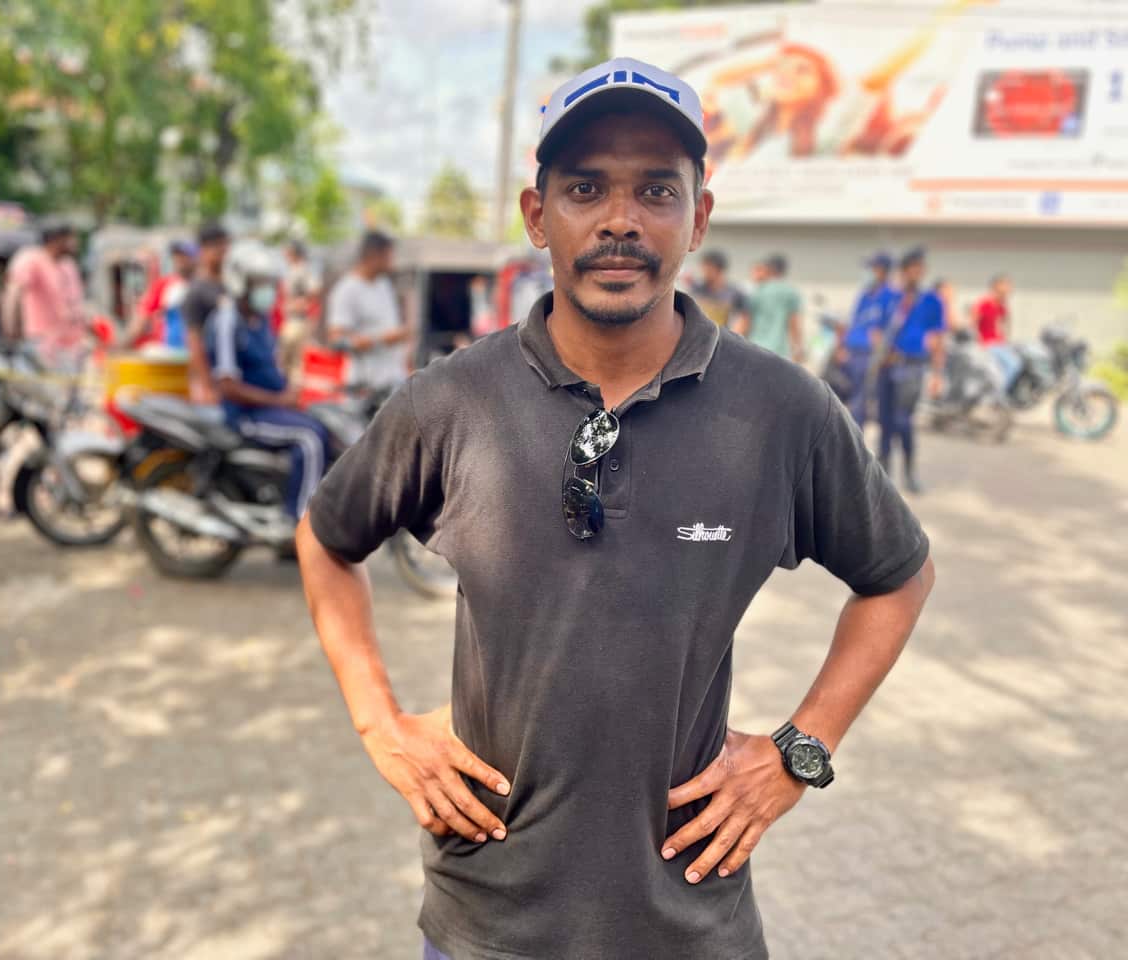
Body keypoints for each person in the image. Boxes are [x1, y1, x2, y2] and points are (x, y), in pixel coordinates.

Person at [296, 57, 935, 960]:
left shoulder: (779, 413)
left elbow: (899, 577)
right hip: (489, 923)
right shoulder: (450, 404)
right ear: (536, 215)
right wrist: (380, 724)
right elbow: (326, 540)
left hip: (689, 926)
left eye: (656, 191)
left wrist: (800, 750)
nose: (621, 222)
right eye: (586, 188)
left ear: (698, 218)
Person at [181, 225, 329, 521]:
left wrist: (291, 389)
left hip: (268, 408)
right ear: (241, 283)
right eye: (260, 283)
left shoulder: (258, 320)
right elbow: (227, 384)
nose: (268, 291)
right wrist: (279, 401)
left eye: (269, 283)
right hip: (246, 415)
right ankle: (299, 523)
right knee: (310, 439)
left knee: (325, 425)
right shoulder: (227, 320)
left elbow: (270, 367)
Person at [877, 248, 947, 494]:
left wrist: (937, 375)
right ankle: (881, 478)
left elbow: (938, 337)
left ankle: (909, 473)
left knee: (903, 421)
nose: (916, 273)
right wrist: (880, 354)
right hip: (887, 366)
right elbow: (876, 329)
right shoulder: (889, 298)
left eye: (920, 269)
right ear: (903, 272)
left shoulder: (932, 300)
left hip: (913, 367)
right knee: (884, 422)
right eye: (912, 269)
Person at [324, 231, 411, 392]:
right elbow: (336, 340)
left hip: (392, 382)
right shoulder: (347, 290)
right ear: (373, 256)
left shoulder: (383, 284)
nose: (392, 261)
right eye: (388, 256)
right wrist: (380, 339)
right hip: (366, 388)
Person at [1, 220, 87, 370]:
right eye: (71, 238)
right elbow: (13, 294)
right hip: (42, 344)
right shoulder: (30, 259)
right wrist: (11, 331)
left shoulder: (68, 264)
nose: (76, 242)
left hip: (72, 346)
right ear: (57, 239)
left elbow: (76, 302)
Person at [836, 252, 900, 425]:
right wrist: (842, 346)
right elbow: (854, 321)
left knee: (860, 402)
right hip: (853, 351)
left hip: (869, 354)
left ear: (882, 271)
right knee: (847, 398)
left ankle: (856, 445)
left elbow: (891, 327)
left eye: (871, 268)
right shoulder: (865, 295)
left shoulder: (891, 295)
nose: (868, 272)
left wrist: (883, 349)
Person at [181, 225, 230, 405]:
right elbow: (194, 340)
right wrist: (207, 387)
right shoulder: (197, 291)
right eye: (216, 247)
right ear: (203, 250)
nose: (222, 252)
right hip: (210, 380)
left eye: (224, 246)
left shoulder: (231, 286)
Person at [126, 240, 195, 350]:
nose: (180, 260)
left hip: (197, 352)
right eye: (177, 256)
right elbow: (141, 320)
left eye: (184, 256)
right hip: (172, 352)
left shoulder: (203, 285)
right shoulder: (164, 285)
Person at [745, 252, 803, 361]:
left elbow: (746, 322)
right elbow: (794, 324)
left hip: (755, 348)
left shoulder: (756, 291)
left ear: (769, 269)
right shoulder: (791, 292)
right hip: (780, 352)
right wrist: (798, 348)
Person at [279, 240, 321, 383]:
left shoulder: (303, 269)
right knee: (286, 360)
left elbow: (315, 290)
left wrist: (301, 303)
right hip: (291, 319)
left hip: (298, 320)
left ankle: (294, 396)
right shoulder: (293, 269)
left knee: (295, 362)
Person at [689, 249, 750, 332]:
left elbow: (743, 318)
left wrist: (734, 337)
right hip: (699, 336)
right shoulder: (697, 289)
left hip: (721, 337)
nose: (703, 272)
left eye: (707, 269)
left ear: (719, 270)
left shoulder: (734, 293)